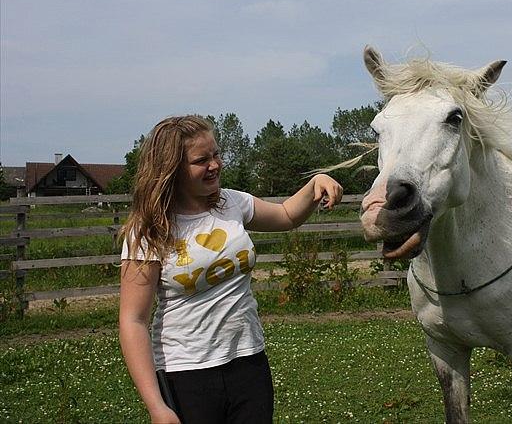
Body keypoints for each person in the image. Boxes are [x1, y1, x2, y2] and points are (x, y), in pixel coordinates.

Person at [118, 115, 343, 424]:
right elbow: (133, 320)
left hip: (248, 361)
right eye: (201, 160)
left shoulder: (231, 202)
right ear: (171, 169)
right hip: (186, 372)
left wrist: (315, 182)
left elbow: (286, 215)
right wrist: (156, 406)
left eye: (216, 154)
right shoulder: (149, 230)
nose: (215, 165)